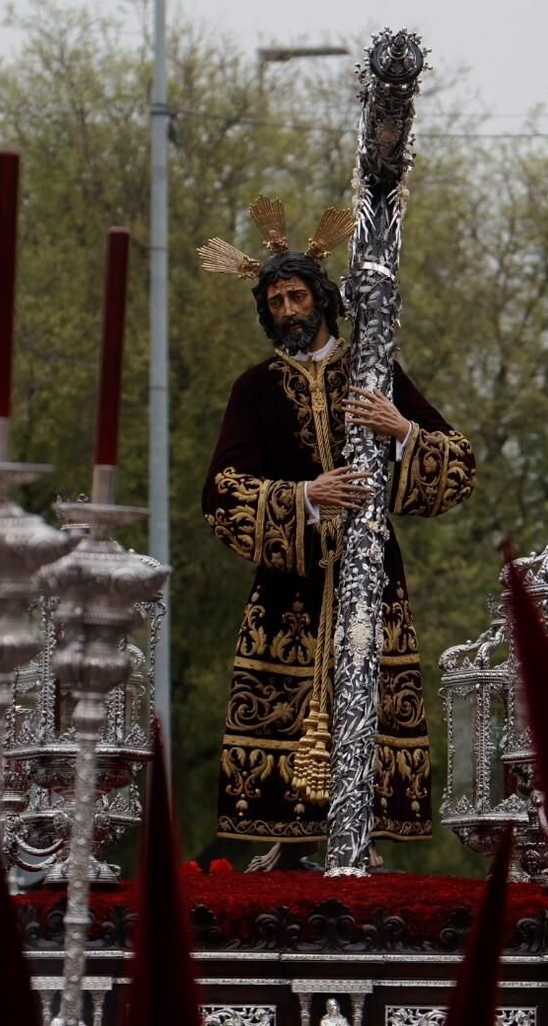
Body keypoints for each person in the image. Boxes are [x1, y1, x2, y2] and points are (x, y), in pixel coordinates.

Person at [197, 197, 476, 868]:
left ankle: (362, 842)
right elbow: (220, 493)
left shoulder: (373, 373)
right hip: (288, 588)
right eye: (275, 304)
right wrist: (305, 498)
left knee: (372, 694)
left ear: (321, 298)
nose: (287, 313)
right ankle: (290, 845)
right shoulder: (255, 388)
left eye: (296, 298)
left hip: (371, 575)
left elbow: (459, 462)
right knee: (284, 703)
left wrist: (400, 430)